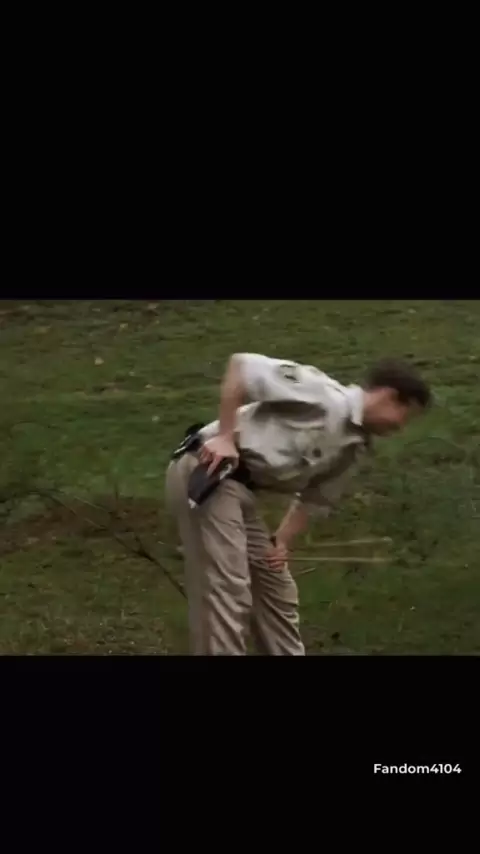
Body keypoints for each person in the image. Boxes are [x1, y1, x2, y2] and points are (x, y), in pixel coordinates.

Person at [165, 353, 432, 655]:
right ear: (389, 397)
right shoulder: (321, 395)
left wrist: (281, 540)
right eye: (405, 416)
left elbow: (316, 497)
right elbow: (241, 366)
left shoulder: (354, 448)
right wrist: (226, 437)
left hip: (243, 490)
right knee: (228, 585)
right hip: (209, 470)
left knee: (274, 584)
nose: (401, 428)